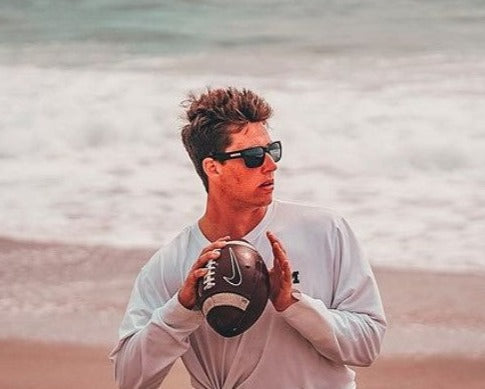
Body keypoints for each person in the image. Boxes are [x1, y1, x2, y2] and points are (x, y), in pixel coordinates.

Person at [110, 87, 386, 389]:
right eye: (253, 156)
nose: (271, 164)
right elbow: (129, 379)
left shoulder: (325, 231)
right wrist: (182, 308)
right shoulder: (171, 264)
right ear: (213, 168)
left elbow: (367, 345)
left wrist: (292, 303)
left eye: (273, 150)